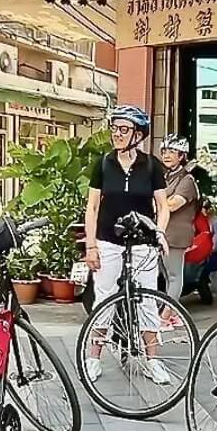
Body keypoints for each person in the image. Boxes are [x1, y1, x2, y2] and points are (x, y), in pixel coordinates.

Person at [83, 105, 173, 385]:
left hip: (142, 243)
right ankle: (94, 358)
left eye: (124, 130)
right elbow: (92, 207)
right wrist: (91, 246)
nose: (117, 135)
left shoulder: (152, 166)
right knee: (104, 298)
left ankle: (153, 360)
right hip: (108, 240)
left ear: (138, 134)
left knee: (147, 299)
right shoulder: (103, 163)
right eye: (115, 129)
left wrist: (159, 232)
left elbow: (163, 206)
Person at [159, 135, 201, 296]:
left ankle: (168, 316)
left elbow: (173, 204)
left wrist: (154, 204)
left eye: (172, 151)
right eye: (164, 151)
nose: (166, 155)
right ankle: (169, 313)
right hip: (163, 233)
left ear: (182, 156)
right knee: (165, 276)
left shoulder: (187, 179)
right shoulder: (167, 177)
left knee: (174, 276)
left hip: (176, 236)